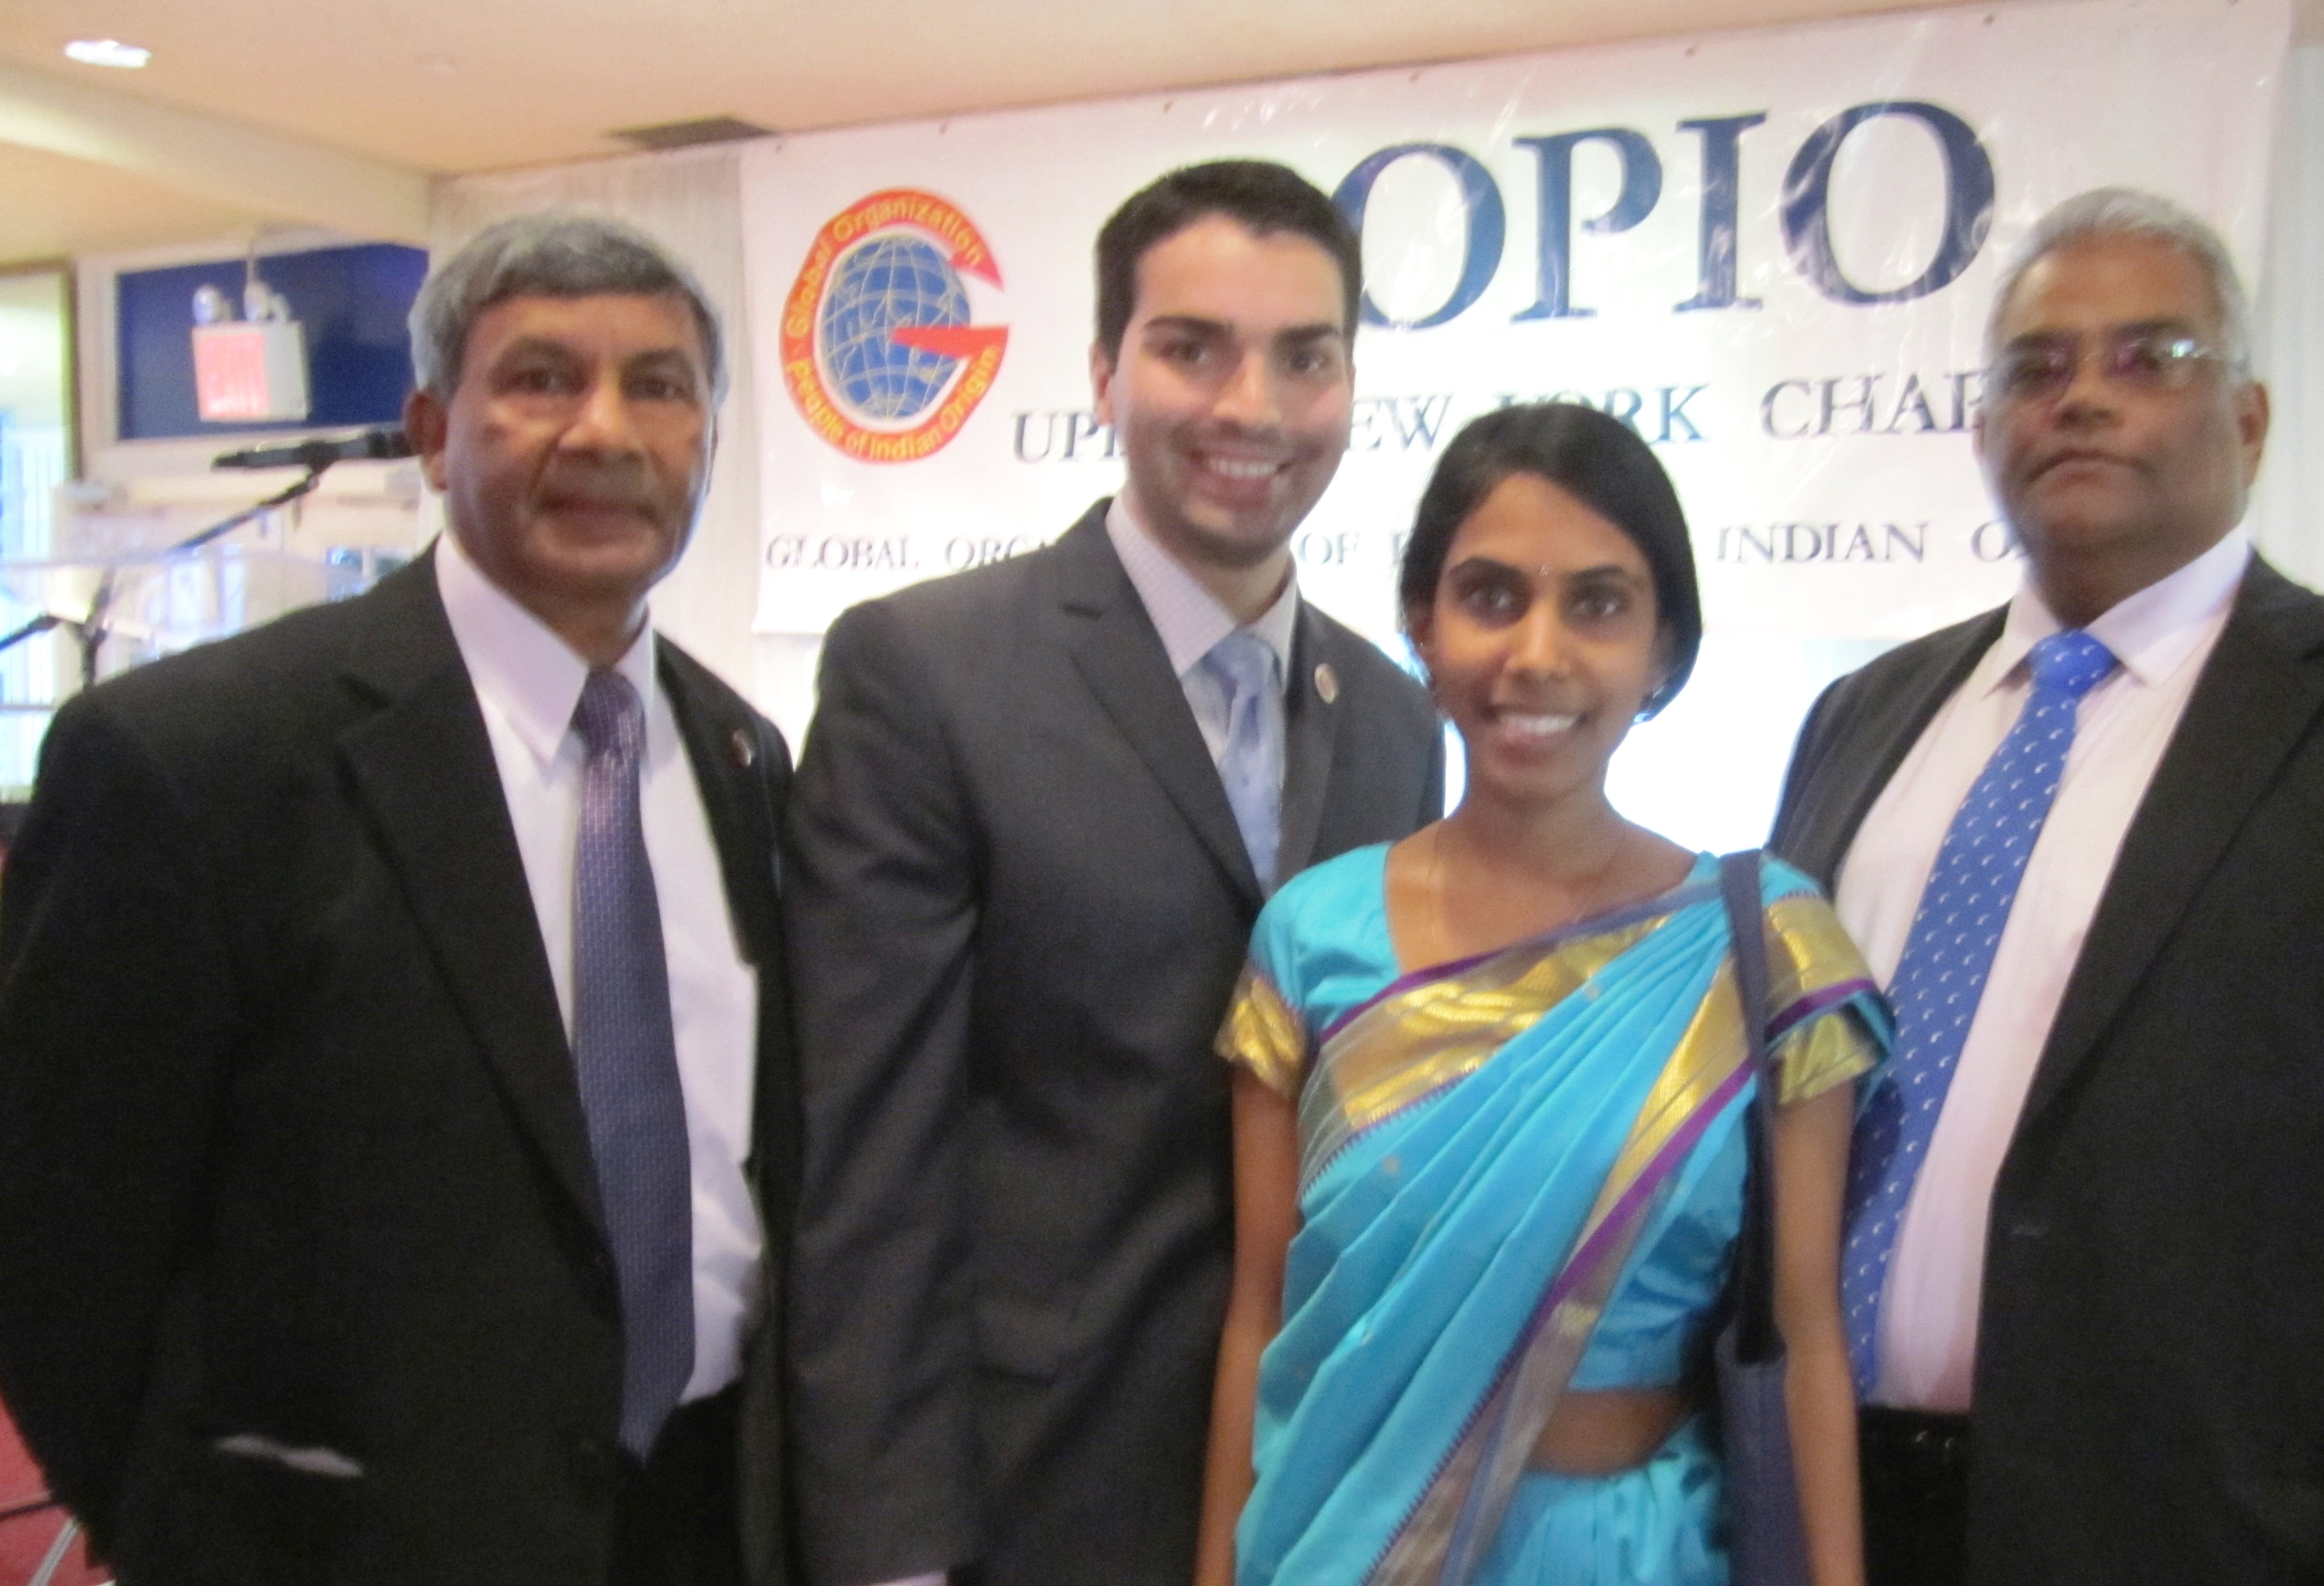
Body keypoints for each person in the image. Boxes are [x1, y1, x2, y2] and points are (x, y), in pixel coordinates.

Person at [1770, 187, 2324, 1586]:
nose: (2082, 398)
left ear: (2249, 419)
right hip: (1822, 1519)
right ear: (1984, 430)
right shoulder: (1860, 718)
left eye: (2150, 357)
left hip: (2196, 1539)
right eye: (2036, 368)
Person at [0, 213, 798, 1584]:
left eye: (660, 386)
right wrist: (188, 1532)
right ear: (433, 432)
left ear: (710, 438)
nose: (606, 431)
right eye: (542, 379)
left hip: (709, 1527)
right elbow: (56, 1232)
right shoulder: (201, 756)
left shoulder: (742, 755)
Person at [784, 159, 1444, 1586]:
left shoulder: (1398, 723)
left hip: (1314, 1488)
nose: (1253, 407)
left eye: (1306, 357)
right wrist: (889, 1553)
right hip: (1028, 1491)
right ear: (1101, 371)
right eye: (1192, 348)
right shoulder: (929, 674)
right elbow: (867, 1162)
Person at [1198, 402, 1881, 1586]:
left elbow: (1809, 1337)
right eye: (1492, 596)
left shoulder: (1764, 947)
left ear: (1665, 650)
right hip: (1338, 1544)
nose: (1538, 652)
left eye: (1599, 604)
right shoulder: (1311, 937)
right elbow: (1260, 1316)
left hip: (1631, 1554)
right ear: (1423, 625)